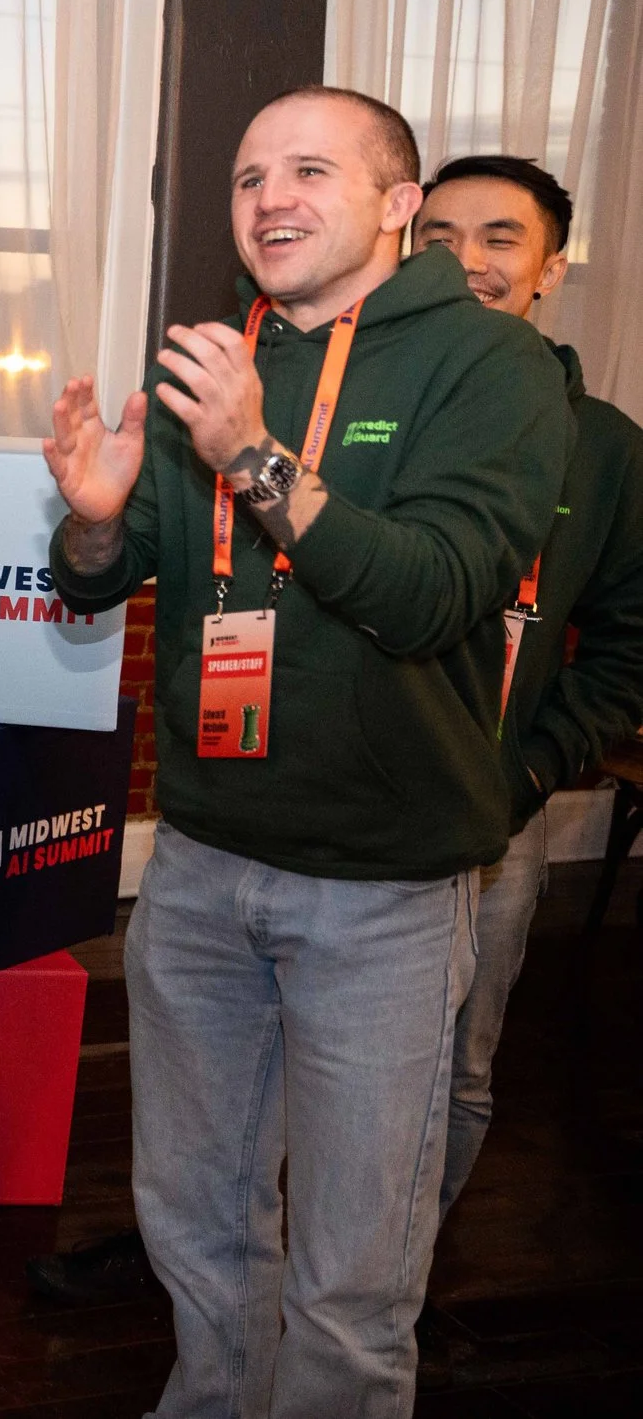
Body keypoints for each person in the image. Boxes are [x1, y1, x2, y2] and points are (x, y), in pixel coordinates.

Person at [41, 88, 568, 1417]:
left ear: (400, 205)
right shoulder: (223, 357)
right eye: (246, 174)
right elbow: (104, 583)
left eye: (309, 170)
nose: (267, 196)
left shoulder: (487, 364)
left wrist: (255, 455)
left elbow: (434, 590)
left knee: (353, 1273)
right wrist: (99, 525)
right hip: (205, 868)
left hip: (382, 891)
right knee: (200, 1226)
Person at [415, 155, 643, 1217]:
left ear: (550, 265)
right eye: (438, 237)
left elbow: (629, 646)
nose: (467, 261)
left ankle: (391, 1292)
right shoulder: (363, 406)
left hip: (498, 816)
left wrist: (533, 767)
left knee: (457, 1065)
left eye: (500, 238)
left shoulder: (603, 449)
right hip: (346, 807)